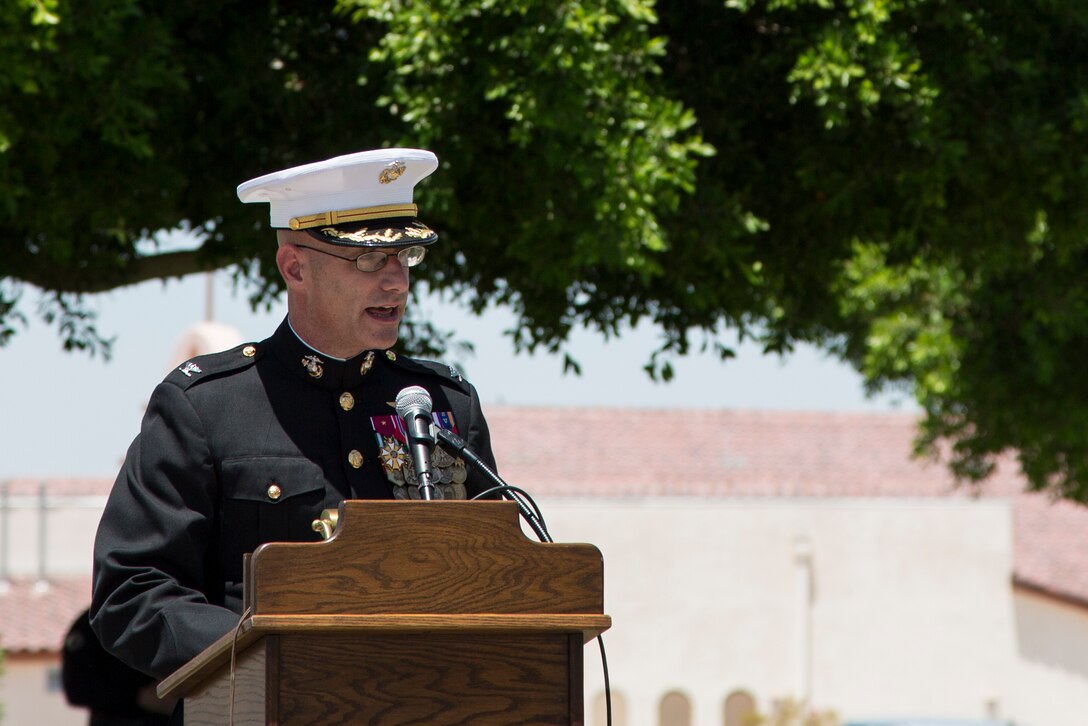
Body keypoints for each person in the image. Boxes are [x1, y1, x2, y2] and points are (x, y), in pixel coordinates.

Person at [89, 148, 498, 698]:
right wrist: (271, 656)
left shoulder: (441, 403)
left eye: (406, 257)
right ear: (294, 267)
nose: (397, 283)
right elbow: (131, 592)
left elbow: (495, 576)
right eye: (369, 260)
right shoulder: (205, 405)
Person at [61, 608, 174, 725]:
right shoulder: (92, 621)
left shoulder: (161, 610)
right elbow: (76, 688)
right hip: (119, 719)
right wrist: (139, 697)